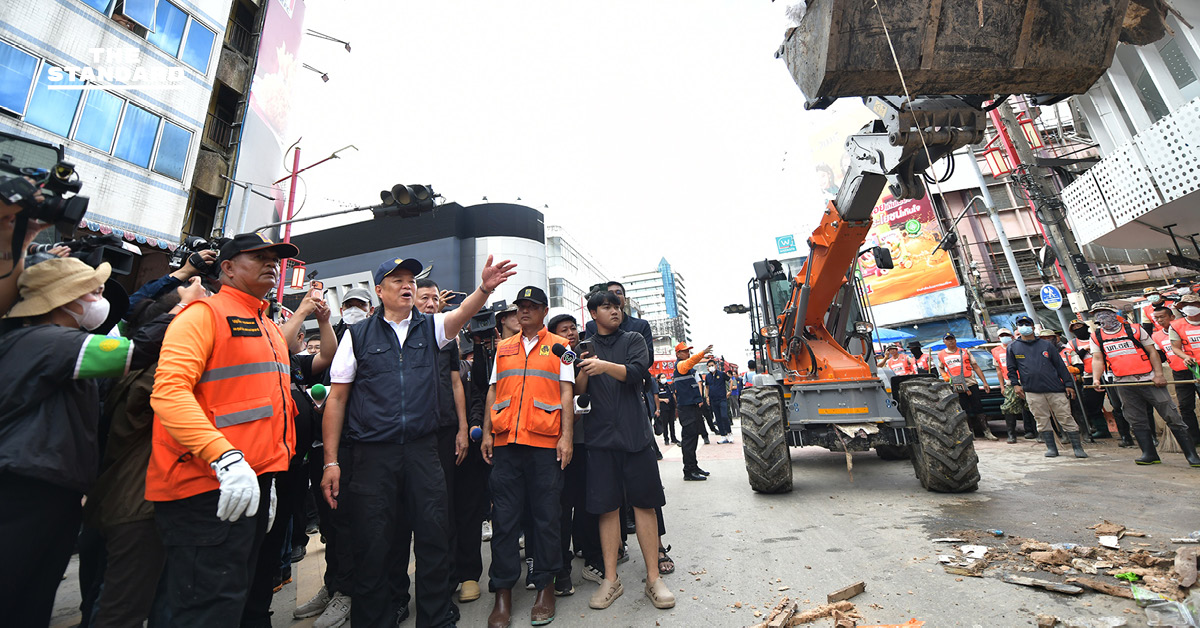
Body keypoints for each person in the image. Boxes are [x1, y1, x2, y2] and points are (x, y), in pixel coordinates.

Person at [320, 254, 516, 628]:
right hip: (372, 457)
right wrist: (332, 461)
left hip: (423, 452)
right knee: (374, 543)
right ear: (380, 291)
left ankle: (436, 617)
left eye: (410, 279)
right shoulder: (356, 337)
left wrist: (484, 289)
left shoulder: (431, 328)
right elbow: (337, 400)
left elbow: (459, 317)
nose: (407, 285)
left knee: (433, 537)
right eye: (397, 280)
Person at [145, 233, 301, 626]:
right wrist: (224, 456)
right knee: (202, 609)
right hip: (207, 486)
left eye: (274, 258)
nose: (271, 263)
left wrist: (269, 481)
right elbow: (168, 394)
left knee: (233, 601)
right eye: (258, 257)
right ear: (227, 268)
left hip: (251, 484)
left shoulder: (266, 325)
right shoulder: (202, 315)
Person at [0, 257, 150, 627]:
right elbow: (139, 353)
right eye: (94, 292)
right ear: (61, 300)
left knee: (34, 595)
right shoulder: (50, 342)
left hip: (49, 487)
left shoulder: (57, 346)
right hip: (26, 488)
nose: (101, 300)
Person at [241, 288, 338, 627]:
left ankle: (259, 611)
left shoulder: (296, 364)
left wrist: (323, 321)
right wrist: (301, 311)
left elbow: (328, 355)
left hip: (293, 463)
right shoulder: (261, 349)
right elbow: (273, 346)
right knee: (254, 545)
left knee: (272, 544)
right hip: (259, 465)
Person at [574, 291, 675, 612]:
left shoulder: (633, 338)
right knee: (607, 509)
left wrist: (603, 365)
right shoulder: (583, 345)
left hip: (636, 437)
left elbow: (636, 373)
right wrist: (581, 367)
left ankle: (653, 577)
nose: (614, 311)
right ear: (593, 313)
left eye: (617, 306)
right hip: (600, 439)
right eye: (606, 307)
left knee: (645, 505)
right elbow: (578, 391)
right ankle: (610, 579)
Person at [480, 286, 574, 628]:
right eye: (521, 306)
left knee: (546, 517)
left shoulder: (561, 348)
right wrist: (488, 431)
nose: (524, 311)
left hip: (545, 444)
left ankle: (544, 587)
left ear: (544, 311)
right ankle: (502, 593)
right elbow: (492, 389)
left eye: (531, 307)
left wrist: (567, 437)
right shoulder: (503, 348)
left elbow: (567, 392)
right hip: (506, 444)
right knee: (504, 520)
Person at [293, 287, 375, 627]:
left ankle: (348, 591)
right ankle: (333, 584)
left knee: (348, 522)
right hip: (320, 448)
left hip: (355, 446)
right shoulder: (335, 337)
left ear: (370, 308)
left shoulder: (371, 338)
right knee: (329, 524)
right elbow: (320, 363)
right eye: (350, 305)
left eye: (360, 305)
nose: (354, 310)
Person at [1090, 301, 1199, 467]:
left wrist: (1159, 375)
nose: (1102, 316)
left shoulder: (1135, 329)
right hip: (1123, 383)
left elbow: (1152, 352)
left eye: (1105, 312)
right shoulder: (1096, 337)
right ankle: (1149, 454)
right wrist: (1096, 378)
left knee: (1171, 415)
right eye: (1098, 314)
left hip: (1148, 379)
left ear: (1114, 313)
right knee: (1136, 419)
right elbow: (1098, 359)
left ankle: (1192, 456)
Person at [547, 312, 601, 598]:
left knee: (587, 500)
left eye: (573, 328)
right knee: (561, 505)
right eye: (563, 329)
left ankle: (591, 554)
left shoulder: (584, 353)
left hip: (586, 441)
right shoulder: (553, 357)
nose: (570, 333)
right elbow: (575, 389)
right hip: (558, 441)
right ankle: (561, 567)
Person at [1006, 316, 1086, 458]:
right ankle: (1052, 448)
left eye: (1027, 324)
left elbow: (1060, 366)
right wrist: (1015, 385)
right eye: (1021, 324)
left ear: (1032, 326)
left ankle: (1077, 448)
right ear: (1017, 328)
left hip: (1055, 389)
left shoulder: (1046, 345)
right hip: (1032, 390)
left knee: (1066, 417)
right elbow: (1011, 369)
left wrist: (1068, 384)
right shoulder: (1013, 347)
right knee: (1041, 420)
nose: (1024, 326)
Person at [936, 333, 995, 440]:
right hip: (957, 386)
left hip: (971, 382)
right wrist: (946, 377)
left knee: (978, 407)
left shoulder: (965, 351)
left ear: (955, 340)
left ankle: (987, 431)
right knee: (963, 409)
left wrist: (984, 382)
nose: (951, 341)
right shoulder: (941, 354)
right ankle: (969, 433)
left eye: (952, 339)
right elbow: (941, 368)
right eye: (948, 340)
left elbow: (976, 367)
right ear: (944, 342)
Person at [672, 341, 714, 481]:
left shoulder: (687, 368)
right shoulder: (681, 365)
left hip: (693, 406)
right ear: (678, 354)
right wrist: (703, 353)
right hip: (687, 408)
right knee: (689, 440)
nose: (687, 352)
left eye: (688, 350)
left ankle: (694, 467)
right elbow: (690, 362)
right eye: (684, 351)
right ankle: (688, 471)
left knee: (694, 437)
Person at [1163, 297, 1200, 442]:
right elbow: (1175, 348)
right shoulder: (1177, 325)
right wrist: (1185, 357)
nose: (1190, 307)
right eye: (1186, 305)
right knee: (1185, 405)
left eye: (1193, 304)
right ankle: (1194, 438)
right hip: (1187, 368)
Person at [991, 329, 1028, 443]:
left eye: (1006, 335)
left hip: (1026, 380)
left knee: (1031, 406)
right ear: (998, 338)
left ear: (1011, 336)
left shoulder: (1019, 347)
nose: (1004, 337)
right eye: (1002, 336)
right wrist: (1002, 386)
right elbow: (998, 370)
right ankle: (1011, 434)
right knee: (1008, 408)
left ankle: (1036, 432)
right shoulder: (996, 351)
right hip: (1010, 383)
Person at [704, 358, 733, 443]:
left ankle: (729, 433)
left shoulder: (721, 374)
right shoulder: (707, 376)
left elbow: (730, 380)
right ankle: (723, 435)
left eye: (712, 365)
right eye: (709, 366)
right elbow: (707, 387)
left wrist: (729, 391)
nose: (711, 367)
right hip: (713, 399)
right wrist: (707, 397)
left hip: (722, 398)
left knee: (724, 416)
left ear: (716, 366)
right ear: (707, 368)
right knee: (718, 418)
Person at [655, 374, 678, 445]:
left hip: (671, 407)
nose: (663, 379)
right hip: (663, 408)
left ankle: (673, 438)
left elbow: (673, 395)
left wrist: (676, 404)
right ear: (658, 379)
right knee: (665, 424)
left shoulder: (669, 386)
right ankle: (666, 439)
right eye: (662, 377)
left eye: (664, 377)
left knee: (672, 423)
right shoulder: (657, 387)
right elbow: (655, 398)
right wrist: (663, 400)